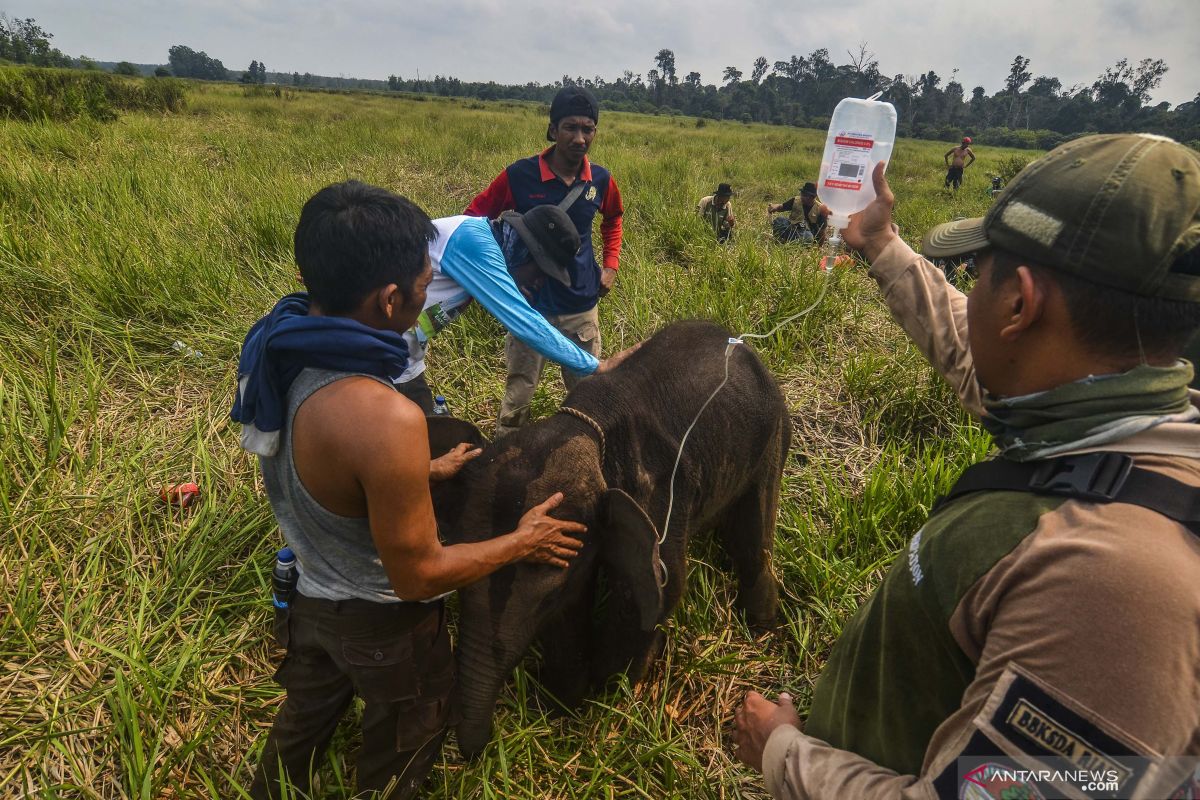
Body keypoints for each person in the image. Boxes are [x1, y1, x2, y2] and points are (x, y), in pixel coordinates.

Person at [734, 134, 1200, 799]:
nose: (965, 291)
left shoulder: (1114, 587)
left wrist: (782, 753)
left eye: (977, 271)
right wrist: (882, 244)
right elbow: (972, 345)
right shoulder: (1113, 424)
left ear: (1019, 305)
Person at [233, 181, 588, 800]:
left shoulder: (279, 353)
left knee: (297, 739)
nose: (432, 296)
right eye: (426, 287)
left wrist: (417, 473)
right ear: (391, 299)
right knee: (403, 746)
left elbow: (324, 471)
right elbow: (419, 576)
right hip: (381, 627)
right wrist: (520, 541)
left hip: (312, 603)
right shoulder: (384, 417)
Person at [466, 85, 624, 437]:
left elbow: (614, 218)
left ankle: (588, 453)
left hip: (580, 302)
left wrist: (610, 264)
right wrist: (499, 273)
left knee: (587, 394)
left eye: (588, 129)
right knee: (519, 392)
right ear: (553, 130)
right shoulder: (519, 176)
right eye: (571, 127)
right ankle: (504, 454)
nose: (580, 138)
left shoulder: (600, 180)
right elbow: (473, 219)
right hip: (528, 305)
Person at [393, 204, 631, 414]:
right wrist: (596, 365)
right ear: (525, 251)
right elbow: (526, 324)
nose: (539, 283)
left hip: (406, 362)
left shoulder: (482, 240)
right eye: (541, 272)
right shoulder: (472, 242)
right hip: (382, 359)